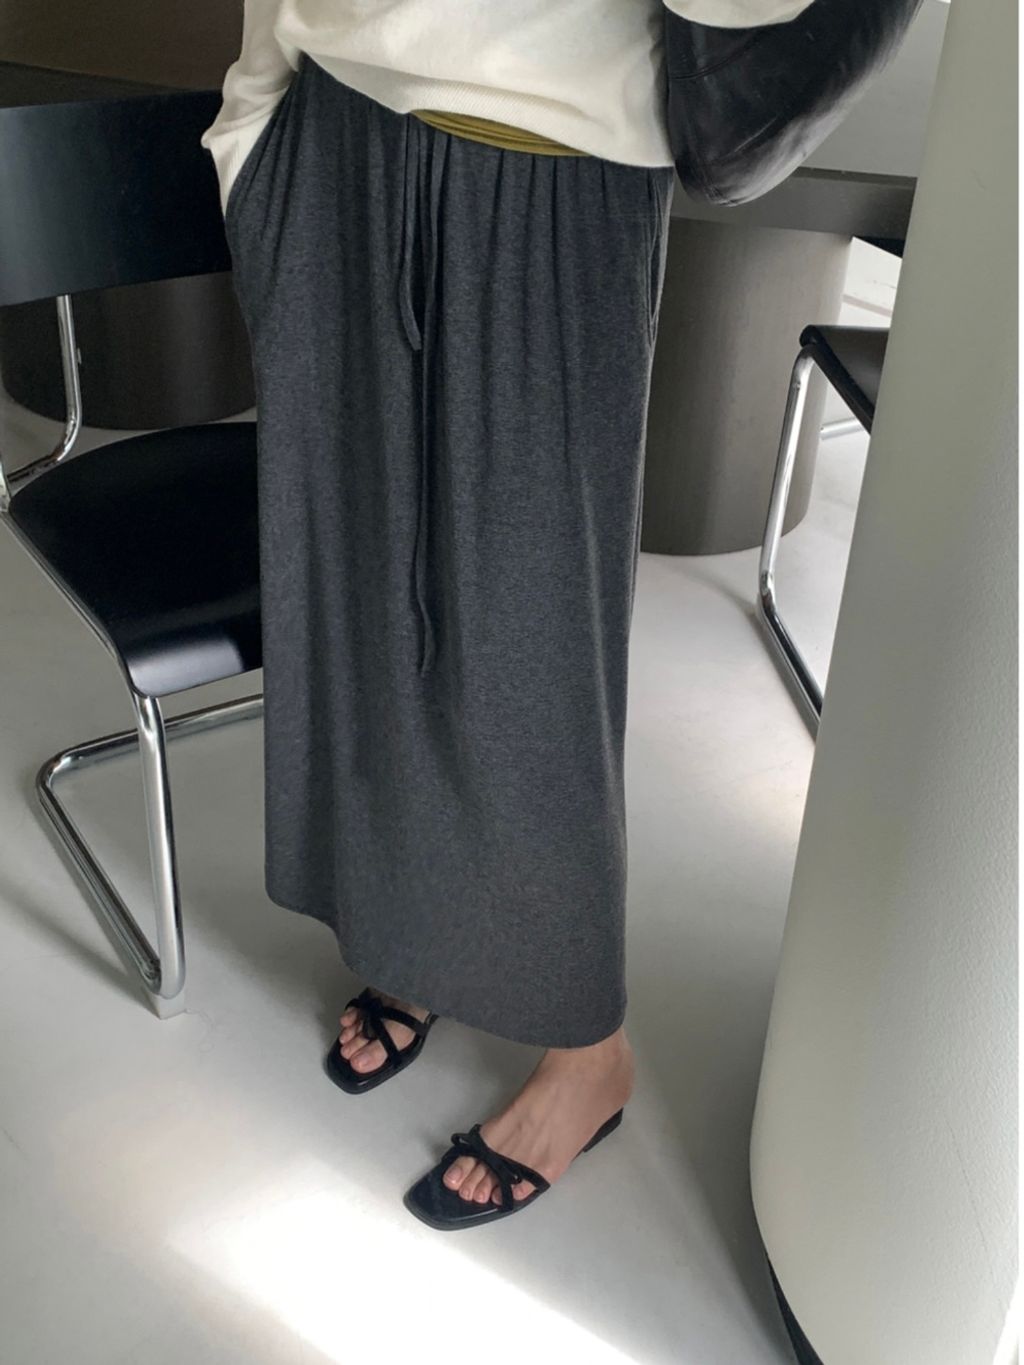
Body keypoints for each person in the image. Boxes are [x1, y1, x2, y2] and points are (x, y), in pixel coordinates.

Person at [200, 0, 812, 1230]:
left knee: (532, 656)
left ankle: (588, 1054)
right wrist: (254, 119)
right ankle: (411, 938)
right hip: (334, 132)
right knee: (363, 611)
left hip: (557, 171)